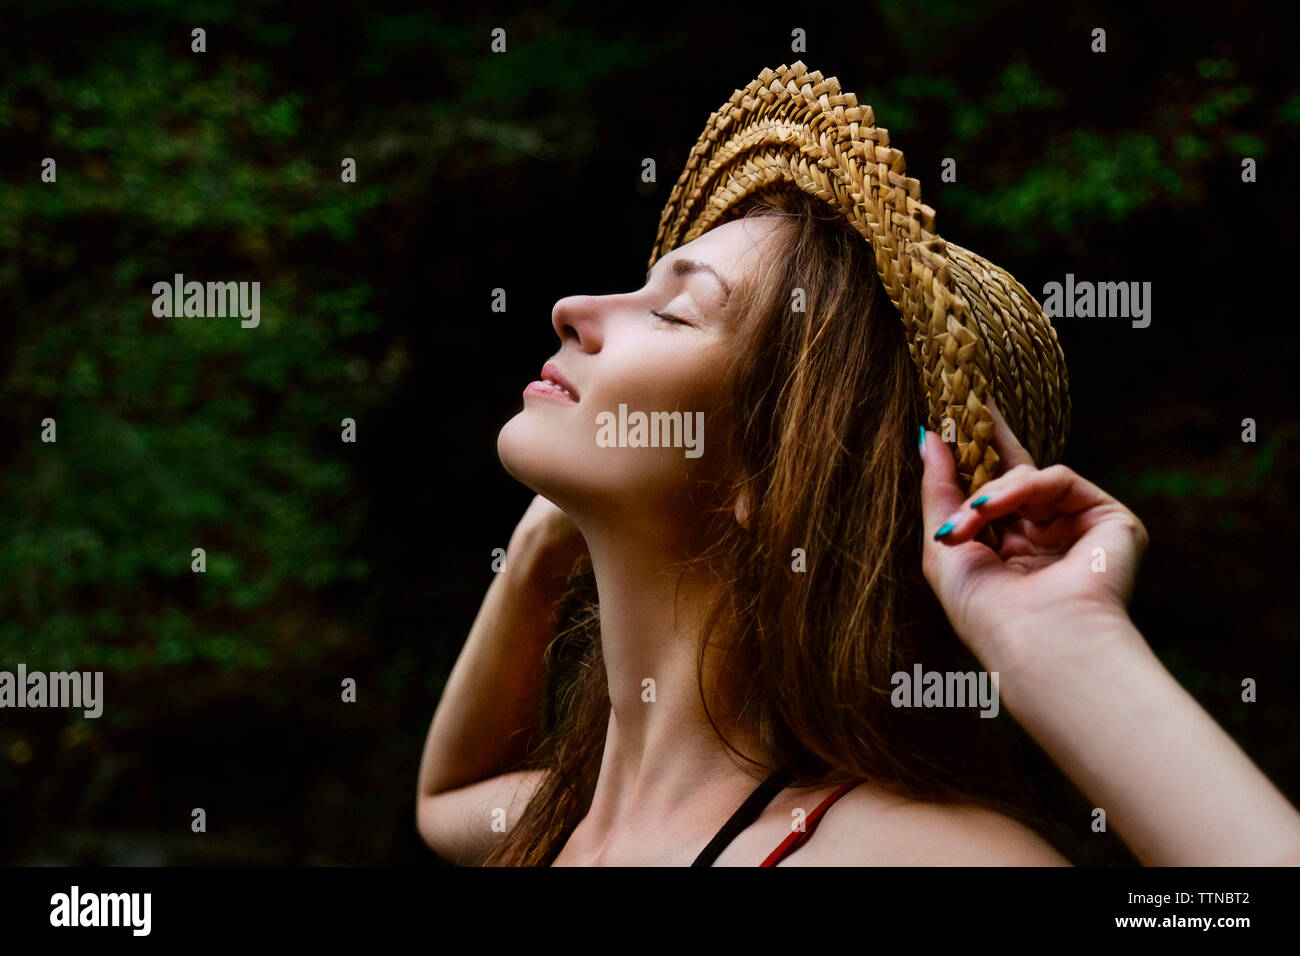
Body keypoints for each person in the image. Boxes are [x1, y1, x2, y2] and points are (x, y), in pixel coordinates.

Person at [416, 64, 1300, 866]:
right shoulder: (561, 826)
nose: (573, 308)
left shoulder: (905, 854)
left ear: (777, 470)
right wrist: (539, 556)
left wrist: (1065, 647)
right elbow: (442, 801)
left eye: (675, 313)